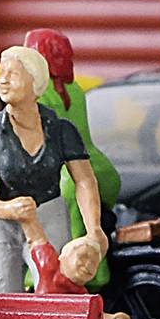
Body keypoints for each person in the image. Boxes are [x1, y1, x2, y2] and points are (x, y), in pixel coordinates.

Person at [0, 45, 106, 297]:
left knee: (56, 294)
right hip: (4, 223)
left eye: (13, 74)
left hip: (49, 215)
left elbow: (84, 180)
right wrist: (6, 209)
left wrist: (94, 228)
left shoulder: (61, 131)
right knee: (4, 298)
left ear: (35, 82)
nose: (4, 80)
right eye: (1, 73)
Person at [22, 27, 121, 289]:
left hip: (67, 174)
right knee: (89, 231)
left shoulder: (39, 93)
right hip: (100, 168)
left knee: (57, 238)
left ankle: (43, 282)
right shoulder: (72, 88)